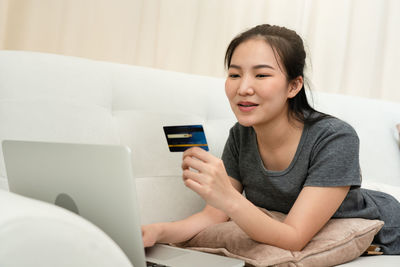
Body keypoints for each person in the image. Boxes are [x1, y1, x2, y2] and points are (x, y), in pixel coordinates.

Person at [142, 24, 400, 254]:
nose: (243, 88)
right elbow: (213, 215)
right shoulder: (241, 135)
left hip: (388, 233)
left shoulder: (335, 137)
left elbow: (294, 238)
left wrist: (227, 196)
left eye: (261, 75)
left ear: (293, 86)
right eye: (234, 74)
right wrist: (157, 231)